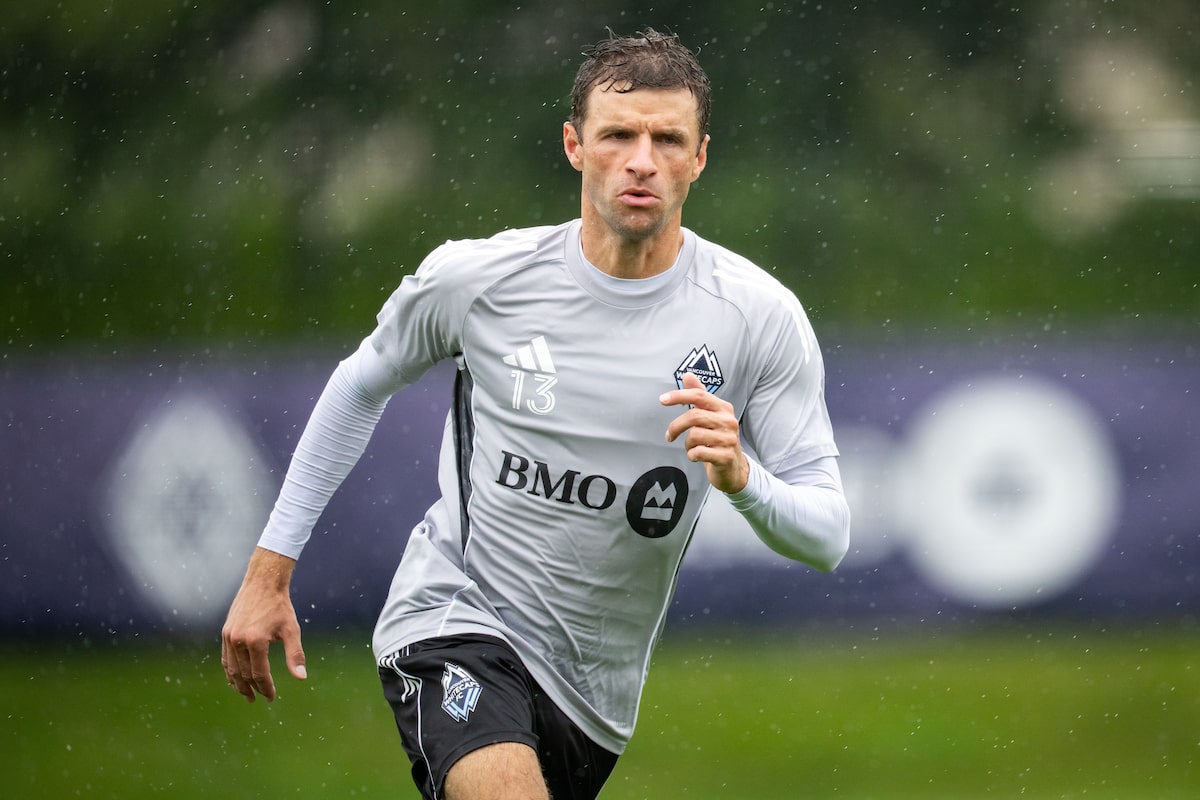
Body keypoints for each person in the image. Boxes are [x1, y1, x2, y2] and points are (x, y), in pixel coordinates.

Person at [222, 27, 850, 800]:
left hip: (594, 700)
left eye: (667, 138)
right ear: (574, 146)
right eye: (618, 134)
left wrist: (742, 476)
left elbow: (827, 534)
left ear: (701, 156)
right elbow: (360, 384)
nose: (642, 159)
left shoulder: (756, 316)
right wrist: (268, 571)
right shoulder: (481, 280)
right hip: (455, 616)